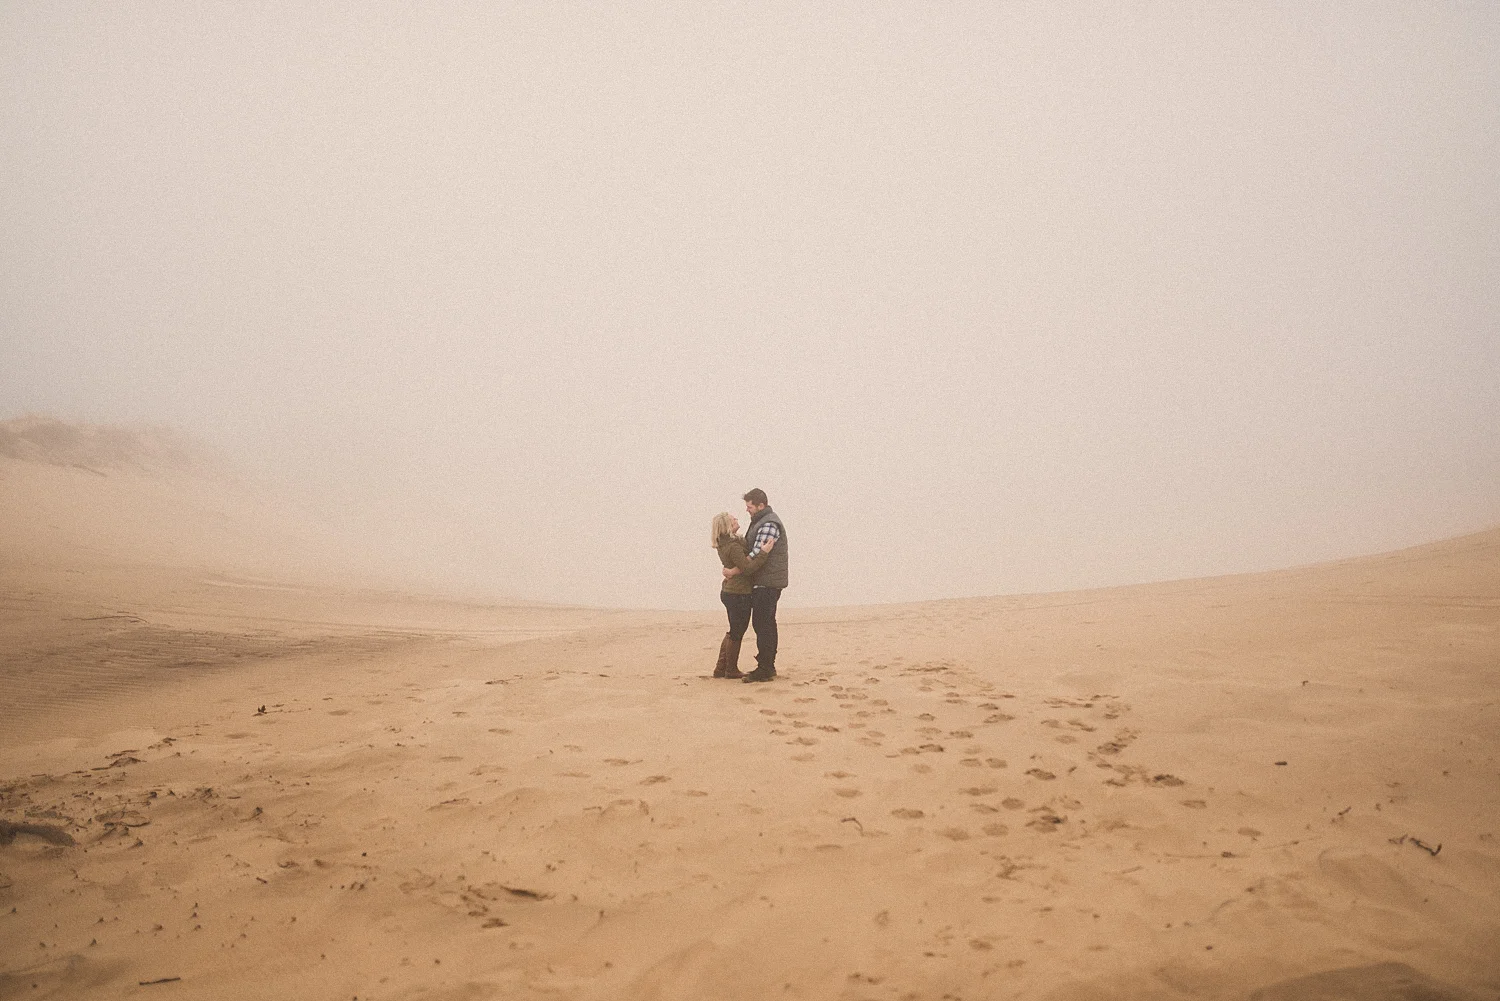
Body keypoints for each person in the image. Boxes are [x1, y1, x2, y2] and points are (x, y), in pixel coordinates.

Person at [722, 488, 788, 683]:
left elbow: (755, 554)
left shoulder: (768, 523)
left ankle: (766, 668)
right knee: (762, 623)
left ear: (761, 505)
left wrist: (734, 571)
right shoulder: (760, 522)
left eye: (749, 506)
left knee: (764, 624)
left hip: (768, 582)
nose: (747, 510)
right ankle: (766, 666)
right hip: (762, 581)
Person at [710, 511, 774, 679]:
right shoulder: (733, 546)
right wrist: (764, 552)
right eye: (733, 519)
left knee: (733, 629)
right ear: (727, 526)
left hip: (732, 591)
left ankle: (721, 667)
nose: (737, 519)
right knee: (737, 631)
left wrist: (732, 570)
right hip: (738, 593)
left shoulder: (727, 543)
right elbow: (748, 568)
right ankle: (730, 669)